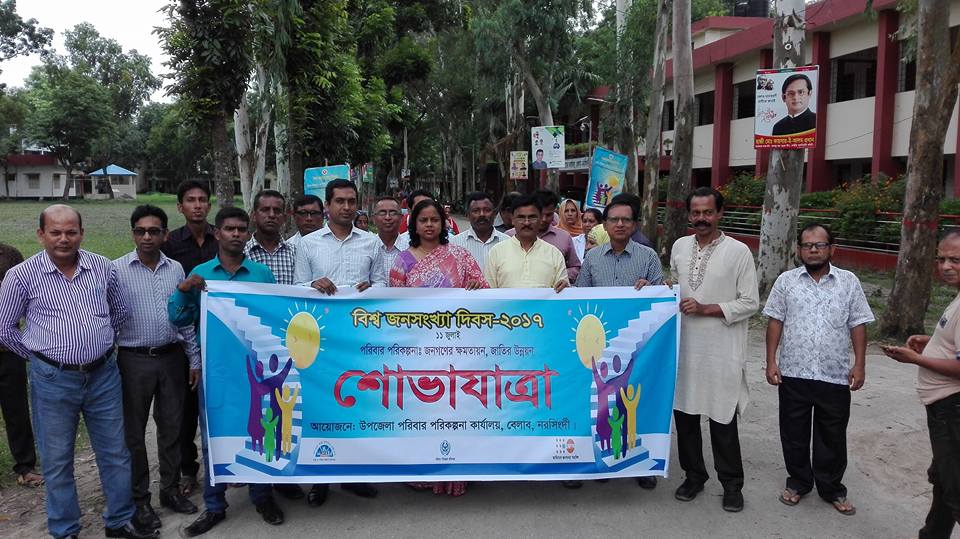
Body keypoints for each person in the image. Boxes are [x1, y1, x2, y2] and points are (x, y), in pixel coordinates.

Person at [0, 205, 156, 539]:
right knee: (57, 461)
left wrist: (98, 343)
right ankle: (65, 529)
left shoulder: (101, 267)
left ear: (81, 234)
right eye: (55, 232)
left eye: (71, 232)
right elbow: (5, 328)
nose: (64, 239)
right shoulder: (21, 276)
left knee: (115, 453)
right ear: (41, 234)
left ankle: (119, 520)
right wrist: (38, 358)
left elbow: (119, 311)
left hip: (103, 376)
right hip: (53, 381)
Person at [168, 207, 285, 536]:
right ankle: (215, 505)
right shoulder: (201, 273)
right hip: (216, 372)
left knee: (260, 431)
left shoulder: (262, 275)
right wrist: (183, 290)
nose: (236, 234)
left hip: (257, 370)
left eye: (241, 229)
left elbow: (275, 317)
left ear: (247, 234)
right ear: (217, 233)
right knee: (214, 437)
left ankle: (262, 496)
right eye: (229, 229)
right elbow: (178, 319)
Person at [763, 223, 874, 516]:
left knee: (832, 435)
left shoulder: (848, 282)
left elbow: (858, 323)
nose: (813, 250)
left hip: (834, 374)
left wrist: (859, 364)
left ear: (831, 249)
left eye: (820, 245)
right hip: (794, 372)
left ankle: (832, 488)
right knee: (793, 433)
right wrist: (771, 361)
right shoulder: (786, 282)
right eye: (807, 245)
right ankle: (798, 482)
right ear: (799, 249)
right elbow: (775, 321)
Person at [291, 179, 383, 503]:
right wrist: (313, 284)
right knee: (323, 406)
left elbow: (382, 285)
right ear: (327, 206)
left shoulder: (371, 242)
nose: (346, 207)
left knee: (358, 404)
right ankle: (322, 479)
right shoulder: (308, 244)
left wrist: (371, 289)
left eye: (351, 201)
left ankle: (354, 475)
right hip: (321, 338)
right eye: (340, 201)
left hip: (360, 338)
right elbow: (297, 286)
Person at [669, 187, 759, 513]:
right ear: (689, 215)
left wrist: (707, 309)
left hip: (721, 350)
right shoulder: (679, 247)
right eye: (696, 213)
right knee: (686, 417)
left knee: (722, 418)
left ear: (720, 213)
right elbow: (675, 288)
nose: (702, 218)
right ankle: (694, 476)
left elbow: (750, 302)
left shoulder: (739, 252)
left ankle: (732, 485)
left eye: (708, 212)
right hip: (684, 349)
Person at [113, 205, 202, 531]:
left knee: (172, 428)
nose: (147, 237)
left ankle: (170, 489)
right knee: (134, 434)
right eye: (141, 231)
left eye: (154, 231)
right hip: (132, 359)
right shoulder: (116, 270)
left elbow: (185, 316)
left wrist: (194, 359)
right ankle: (140, 499)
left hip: (171, 357)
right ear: (133, 234)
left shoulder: (175, 268)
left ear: (165, 234)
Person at [390, 199, 487, 497]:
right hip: (419, 351)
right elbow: (395, 310)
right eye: (424, 220)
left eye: (435, 219)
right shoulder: (402, 261)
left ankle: (457, 474)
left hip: (459, 349)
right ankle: (423, 472)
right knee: (422, 412)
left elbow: (484, 293)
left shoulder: (459, 255)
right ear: (414, 225)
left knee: (458, 410)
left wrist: (475, 289)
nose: (430, 225)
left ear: (444, 224)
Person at [882, 229, 960, 538]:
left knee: (955, 488)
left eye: (955, 260)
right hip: (943, 409)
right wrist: (933, 343)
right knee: (943, 479)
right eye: (941, 259)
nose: (946, 266)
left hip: (953, 409)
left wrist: (915, 359)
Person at [161, 180, 218, 497]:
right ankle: (188, 470)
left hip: (219, 334)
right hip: (184, 335)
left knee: (221, 403)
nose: (197, 205)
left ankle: (223, 464)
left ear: (209, 205)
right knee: (184, 411)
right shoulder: (169, 244)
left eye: (202, 199)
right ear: (180, 206)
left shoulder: (221, 238)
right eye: (190, 200)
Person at [0, 243, 42, 489]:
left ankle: (25, 467)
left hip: (8, 352)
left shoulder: (9, 254)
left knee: (16, 412)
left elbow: (26, 296)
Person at [484, 194, 568, 293]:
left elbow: (564, 291)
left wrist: (565, 287)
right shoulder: (496, 252)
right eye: (521, 217)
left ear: (540, 218)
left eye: (532, 217)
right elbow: (488, 292)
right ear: (512, 219)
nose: (527, 223)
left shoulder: (554, 254)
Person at [506, 189, 581, 282]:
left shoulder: (564, 237)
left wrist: (561, 276)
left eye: (549, 215)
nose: (544, 219)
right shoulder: (509, 237)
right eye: (541, 215)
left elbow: (575, 266)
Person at [245, 189, 297, 286]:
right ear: (254, 216)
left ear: (284, 218)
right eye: (265, 210)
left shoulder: (296, 253)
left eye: (277, 211)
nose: (271, 215)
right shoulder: (242, 254)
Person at [450, 191, 509, 270]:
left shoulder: (507, 242)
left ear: (494, 214)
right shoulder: (454, 244)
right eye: (476, 211)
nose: (482, 214)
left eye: (487, 210)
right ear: (467, 215)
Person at [373, 196, 410, 278]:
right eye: (382, 213)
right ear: (374, 219)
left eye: (393, 213)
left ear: (401, 218)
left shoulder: (411, 248)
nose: (388, 217)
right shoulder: (367, 248)